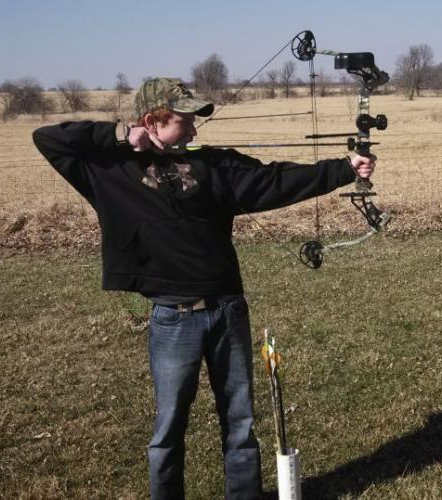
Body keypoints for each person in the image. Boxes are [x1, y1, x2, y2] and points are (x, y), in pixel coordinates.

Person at [32, 77, 376, 499]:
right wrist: (121, 135)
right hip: (173, 318)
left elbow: (274, 181)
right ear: (151, 121)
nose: (194, 129)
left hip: (228, 310)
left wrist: (344, 168)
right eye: (184, 120)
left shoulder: (213, 165)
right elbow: (48, 138)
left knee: (240, 422)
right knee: (169, 428)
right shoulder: (107, 170)